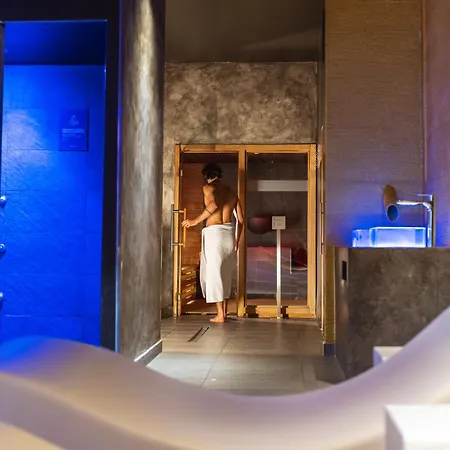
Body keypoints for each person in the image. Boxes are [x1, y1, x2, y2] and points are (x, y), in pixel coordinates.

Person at [182, 163, 244, 323]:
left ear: (206, 176)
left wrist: (194, 221)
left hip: (214, 234)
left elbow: (213, 205)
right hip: (229, 234)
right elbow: (241, 219)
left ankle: (220, 315)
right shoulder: (232, 191)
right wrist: (237, 240)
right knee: (225, 274)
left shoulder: (208, 188)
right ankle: (224, 312)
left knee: (214, 273)